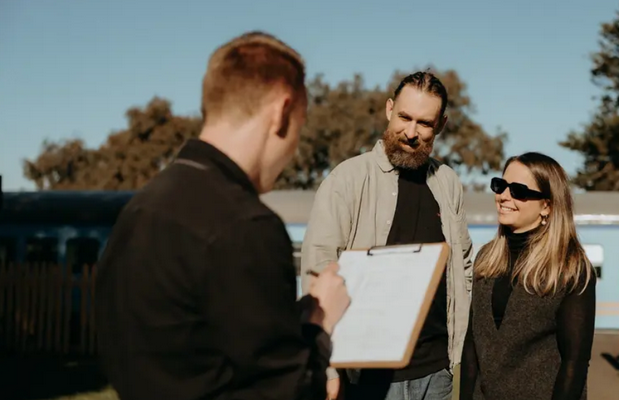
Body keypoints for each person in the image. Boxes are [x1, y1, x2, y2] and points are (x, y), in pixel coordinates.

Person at [95, 31, 351, 400]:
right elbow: (287, 391)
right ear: (281, 112)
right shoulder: (246, 225)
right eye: (300, 124)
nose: (294, 147)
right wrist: (319, 324)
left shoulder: (139, 209)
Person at [300, 71, 473, 400]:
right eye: (405, 117)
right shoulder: (348, 179)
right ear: (389, 109)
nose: (411, 133)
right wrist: (327, 366)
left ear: (441, 125)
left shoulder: (448, 183)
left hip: (437, 371)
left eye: (424, 123)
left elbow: (462, 265)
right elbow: (318, 269)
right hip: (369, 375)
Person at [459, 152, 597, 400]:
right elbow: (472, 348)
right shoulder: (486, 259)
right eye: (500, 185)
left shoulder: (570, 269)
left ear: (547, 206)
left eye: (518, 191)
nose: (504, 196)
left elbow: (574, 363)